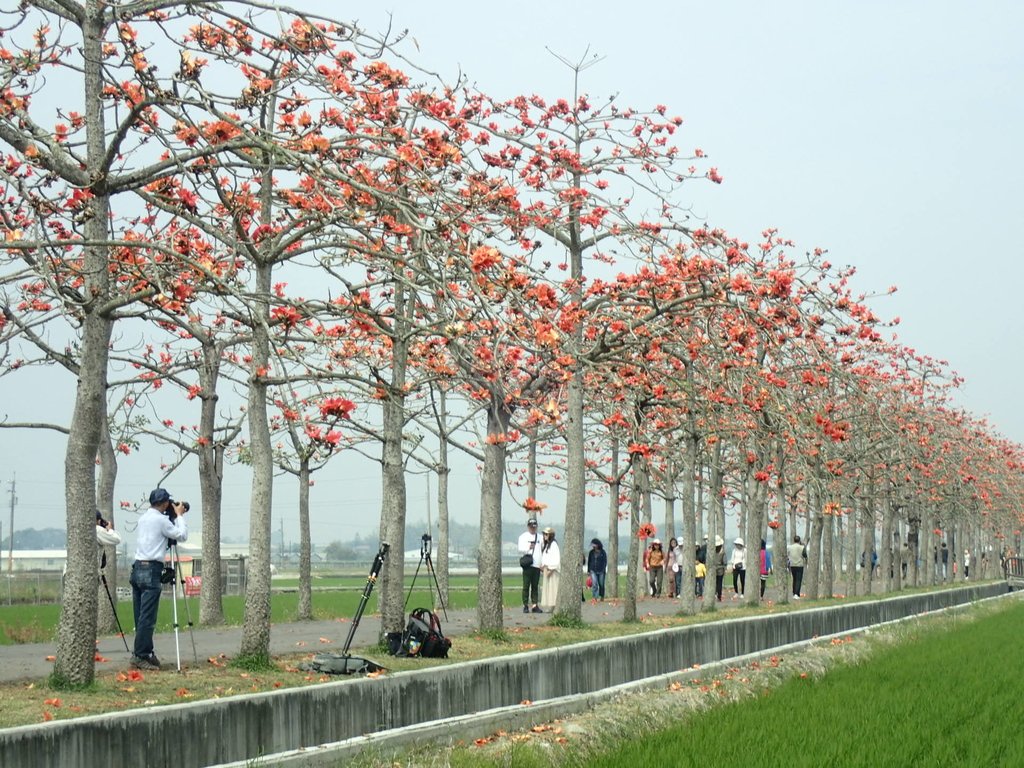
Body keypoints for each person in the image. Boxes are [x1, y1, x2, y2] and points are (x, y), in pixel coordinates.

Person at [131, 488, 187, 671]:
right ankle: (139, 656)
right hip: (151, 569)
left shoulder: (144, 518)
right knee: (147, 618)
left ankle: (146, 652)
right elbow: (181, 535)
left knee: (140, 616)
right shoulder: (162, 520)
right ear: (164, 503)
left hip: (137, 567)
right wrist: (179, 515)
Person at [518, 517, 543, 614]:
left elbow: (542, 550)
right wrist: (528, 547)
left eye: (534, 527)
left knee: (535, 586)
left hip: (537, 565)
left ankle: (535, 604)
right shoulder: (523, 537)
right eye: (531, 527)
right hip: (528, 564)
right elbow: (520, 549)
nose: (533, 529)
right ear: (528, 527)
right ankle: (525, 604)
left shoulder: (540, 537)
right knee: (526, 585)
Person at [539, 527, 560, 611]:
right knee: (548, 589)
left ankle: (554, 606)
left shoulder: (554, 544)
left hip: (552, 570)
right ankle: (550, 606)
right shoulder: (547, 545)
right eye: (544, 534)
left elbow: (556, 558)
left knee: (553, 589)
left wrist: (551, 569)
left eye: (546, 534)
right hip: (546, 569)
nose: (544, 536)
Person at [787, 535, 806, 600]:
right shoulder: (802, 547)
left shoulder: (790, 547)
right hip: (799, 565)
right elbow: (804, 555)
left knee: (794, 579)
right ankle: (796, 594)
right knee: (798, 580)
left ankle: (794, 592)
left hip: (792, 565)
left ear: (794, 540)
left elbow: (788, 555)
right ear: (799, 540)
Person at [713, 536, 726, 602]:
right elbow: (725, 562)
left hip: (714, 568)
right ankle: (719, 596)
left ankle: (715, 594)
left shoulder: (712, 551)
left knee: (714, 583)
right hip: (720, 569)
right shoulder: (722, 552)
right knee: (719, 583)